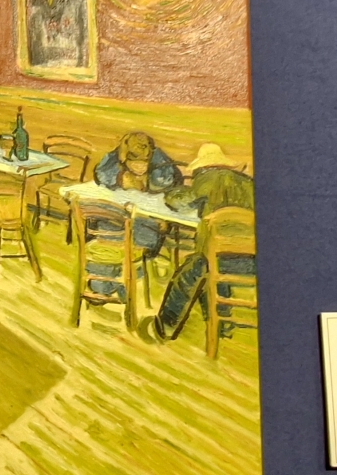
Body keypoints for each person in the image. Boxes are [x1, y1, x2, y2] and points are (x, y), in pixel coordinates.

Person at [141, 143, 255, 342]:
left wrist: (172, 194)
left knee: (194, 268)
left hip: (216, 261)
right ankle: (224, 324)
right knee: (210, 259)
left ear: (203, 167)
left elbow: (181, 204)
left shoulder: (207, 179)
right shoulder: (248, 183)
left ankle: (165, 327)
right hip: (253, 262)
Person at [93, 131, 182, 259]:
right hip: (123, 214)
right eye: (135, 163)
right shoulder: (115, 158)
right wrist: (120, 178)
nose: (140, 167)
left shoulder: (160, 161)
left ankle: (140, 252)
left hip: (151, 215)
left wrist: (148, 181)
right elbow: (102, 174)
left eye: (144, 163)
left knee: (144, 234)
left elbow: (165, 182)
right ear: (125, 159)